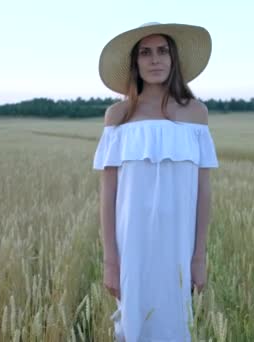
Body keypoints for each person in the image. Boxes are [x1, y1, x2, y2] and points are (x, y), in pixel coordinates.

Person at [93, 22, 219, 341]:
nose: (155, 60)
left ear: (173, 59)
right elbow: (108, 195)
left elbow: (203, 191)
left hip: (178, 244)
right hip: (131, 245)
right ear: (135, 63)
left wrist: (198, 257)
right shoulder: (118, 116)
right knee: (134, 326)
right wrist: (111, 260)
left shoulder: (196, 114)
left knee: (174, 326)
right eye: (145, 53)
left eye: (162, 51)